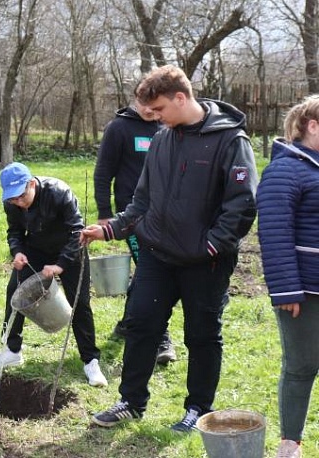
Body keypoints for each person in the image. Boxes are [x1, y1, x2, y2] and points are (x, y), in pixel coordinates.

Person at [81, 65, 258, 432]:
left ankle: (198, 410)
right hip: (157, 255)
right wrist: (110, 229)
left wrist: (211, 245)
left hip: (205, 263)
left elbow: (242, 205)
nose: (155, 117)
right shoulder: (163, 138)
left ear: (181, 97)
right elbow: (142, 200)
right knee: (141, 323)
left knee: (202, 335)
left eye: (159, 109)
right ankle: (131, 401)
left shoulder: (230, 141)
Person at [0, 162, 108, 387]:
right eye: (13, 199)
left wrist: (61, 265)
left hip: (70, 249)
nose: (18, 203)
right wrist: (18, 251)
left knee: (79, 302)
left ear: (31, 183)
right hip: (36, 248)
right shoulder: (11, 203)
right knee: (15, 291)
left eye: (21, 196)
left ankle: (90, 360)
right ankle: (11, 350)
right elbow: (15, 231)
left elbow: (77, 232)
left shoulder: (59, 193)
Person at [257, 95, 319, 458]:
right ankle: (289, 444)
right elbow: (274, 234)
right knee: (301, 366)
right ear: (312, 126)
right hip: (304, 291)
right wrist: (286, 292)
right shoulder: (285, 170)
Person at [94, 99, 176, 365]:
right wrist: (105, 213)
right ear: (135, 100)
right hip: (133, 216)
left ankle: (129, 322)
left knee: (146, 271)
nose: (151, 109)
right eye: (145, 103)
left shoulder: (168, 126)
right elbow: (103, 172)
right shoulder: (119, 128)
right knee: (153, 272)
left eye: (156, 104)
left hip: (168, 216)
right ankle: (162, 336)